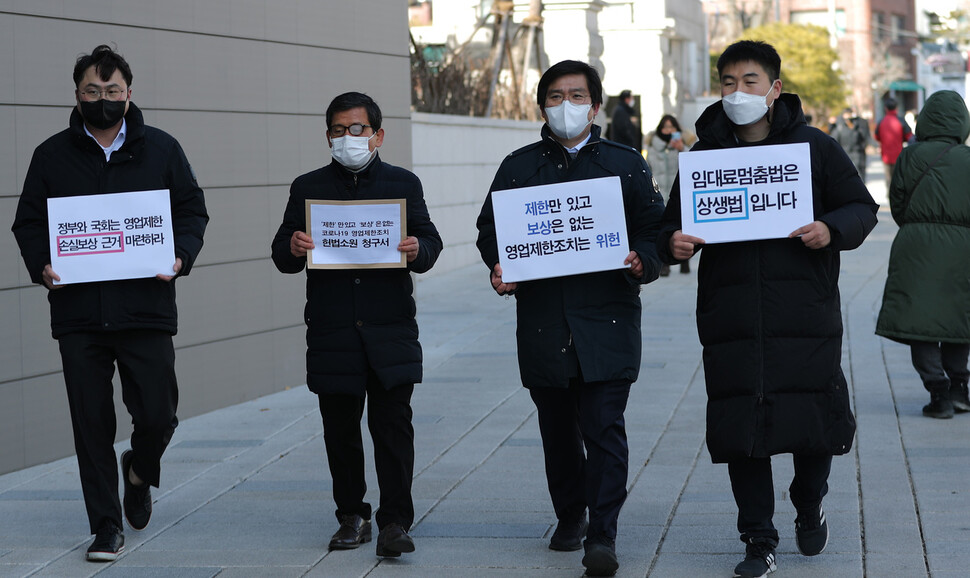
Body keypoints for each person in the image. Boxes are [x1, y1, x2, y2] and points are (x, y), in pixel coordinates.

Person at [657, 41, 878, 578]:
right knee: (741, 430)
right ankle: (758, 539)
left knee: (811, 419)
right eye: (728, 83)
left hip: (803, 312)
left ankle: (809, 501)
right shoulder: (705, 159)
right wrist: (673, 244)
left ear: (775, 88)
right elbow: (670, 225)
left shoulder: (814, 148)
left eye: (750, 81)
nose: (738, 93)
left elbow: (862, 208)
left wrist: (831, 228)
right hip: (731, 316)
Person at [10, 45, 208, 562]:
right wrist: (42, 263)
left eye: (113, 91)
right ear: (77, 96)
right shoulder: (51, 155)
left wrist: (182, 256)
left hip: (146, 307)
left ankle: (139, 471)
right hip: (79, 316)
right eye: (92, 92)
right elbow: (29, 222)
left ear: (129, 93)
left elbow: (191, 210)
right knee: (91, 423)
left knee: (160, 414)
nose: (103, 99)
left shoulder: (161, 149)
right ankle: (105, 527)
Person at [476, 60, 664, 577]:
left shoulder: (626, 164)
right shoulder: (518, 167)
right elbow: (490, 230)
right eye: (555, 97)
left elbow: (654, 228)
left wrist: (641, 260)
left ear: (596, 105)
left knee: (604, 427)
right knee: (558, 431)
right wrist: (500, 266)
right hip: (544, 321)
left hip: (606, 319)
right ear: (542, 107)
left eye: (576, 96)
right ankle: (570, 515)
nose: (566, 106)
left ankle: (602, 533)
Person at [271, 92, 442, 558]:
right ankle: (351, 515)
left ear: (378, 135)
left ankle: (395, 522)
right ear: (328, 136)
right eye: (340, 130)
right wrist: (294, 245)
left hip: (390, 330)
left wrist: (415, 250)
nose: (350, 137)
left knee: (393, 428)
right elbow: (280, 252)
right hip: (333, 331)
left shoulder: (403, 183)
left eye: (359, 129)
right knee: (340, 430)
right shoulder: (307, 186)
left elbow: (431, 243)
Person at [876, 90, 970, 419]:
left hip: (917, 248)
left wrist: (920, 225)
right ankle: (960, 389)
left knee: (922, 322)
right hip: (964, 250)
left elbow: (898, 206)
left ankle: (939, 394)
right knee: (960, 316)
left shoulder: (909, 157)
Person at [645, 114, 696, 275]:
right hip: (660, 192)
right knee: (662, 230)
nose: (668, 130)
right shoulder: (653, 147)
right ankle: (664, 264)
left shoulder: (683, 146)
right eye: (665, 127)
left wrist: (682, 149)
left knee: (683, 228)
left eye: (672, 127)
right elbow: (647, 168)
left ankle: (685, 262)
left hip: (678, 194)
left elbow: (692, 166)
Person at [875, 97, 913, 190]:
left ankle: (889, 196)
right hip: (898, 155)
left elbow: (876, 136)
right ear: (896, 108)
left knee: (888, 179)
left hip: (885, 156)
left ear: (885, 108)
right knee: (899, 179)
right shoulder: (901, 121)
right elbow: (909, 136)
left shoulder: (881, 122)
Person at [831, 107, 870, 183]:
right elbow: (833, 140)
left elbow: (865, 137)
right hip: (845, 154)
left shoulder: (859, 124)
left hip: (858, 154)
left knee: (860, 176)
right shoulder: (839, 126)